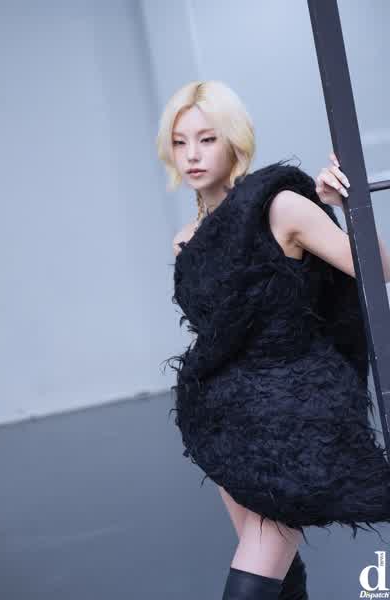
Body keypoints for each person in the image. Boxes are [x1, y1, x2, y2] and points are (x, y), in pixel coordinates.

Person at [157, 80, 390, 599]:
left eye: (207, 139)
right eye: (179, 141)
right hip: (225, 416)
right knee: (278, 576)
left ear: (235, 141)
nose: (192, 154)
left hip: (290, 413)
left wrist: (342, 208)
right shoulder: (185, 240)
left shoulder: (279, 206)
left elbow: (376, 271)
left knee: (254, 579)